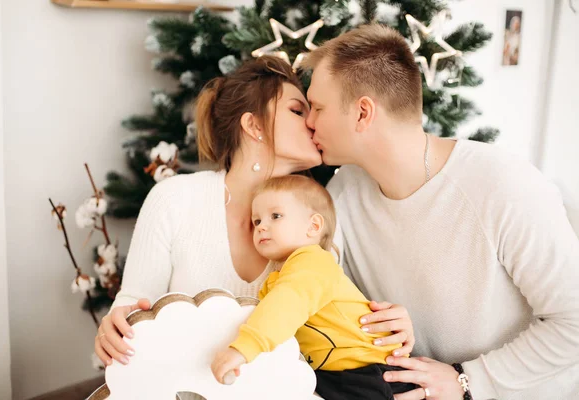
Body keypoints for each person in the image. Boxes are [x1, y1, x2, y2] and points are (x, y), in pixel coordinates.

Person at [93, 56, 416, 394]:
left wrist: (387, 327)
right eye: (297, 110)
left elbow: (327, 324)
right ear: (254, 125)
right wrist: (116, 323)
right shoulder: (174, 199)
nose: (313, 122)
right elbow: (134, 305)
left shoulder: (317, 218)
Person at [302, 23, 579, 400]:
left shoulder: (504, 185)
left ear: (363, 113)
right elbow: (319, 293)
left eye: (317, 107)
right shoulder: (345, 191)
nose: (309, 121)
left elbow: (574, 320)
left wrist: (469, 380)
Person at [211, 175, 418, 400]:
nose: (262, 227)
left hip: (369, 370)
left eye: (276, 216)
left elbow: (287, 305)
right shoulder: (278, 278)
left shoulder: (312, 262)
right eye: (257, 221)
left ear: (314, 226)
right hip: (336, 373)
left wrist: (244, 348)